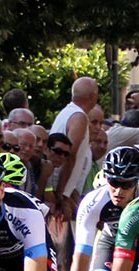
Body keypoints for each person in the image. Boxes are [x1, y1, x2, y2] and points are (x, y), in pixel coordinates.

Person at [49, 78, 99, 219]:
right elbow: (69, 156)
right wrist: (61, 193)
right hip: (58, 188)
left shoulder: (66, 113)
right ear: (92, 96)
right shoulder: (79, 117)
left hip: (61, 188)